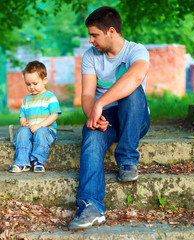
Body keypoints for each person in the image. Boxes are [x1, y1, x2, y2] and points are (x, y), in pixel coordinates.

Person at [68, 6, 150, 230]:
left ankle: (127, 159)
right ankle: (91, 206)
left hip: (135, 116)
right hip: (105, 117)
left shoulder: (137, 51)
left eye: (94, 35)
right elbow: (87, 94)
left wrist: (100, 103)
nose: (91, 40)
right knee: (92, 137)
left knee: (131, 90)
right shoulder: (90, 57)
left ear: (111, 31)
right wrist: (93, 115)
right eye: (90, 36)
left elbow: (135, 77)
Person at [9, 61, 61, 173]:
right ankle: (22, 162)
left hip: (46, 130)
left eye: (35, 83)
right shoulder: (26, 100)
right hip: (30, 130)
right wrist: (23, 123)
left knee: (41, 132)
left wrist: (40, 125)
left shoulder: (50, 97)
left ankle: (39, 161)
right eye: (28, 84)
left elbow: (54, 115)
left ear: (44, 81)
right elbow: (22, 116)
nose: (31, 87)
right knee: (22, 132)